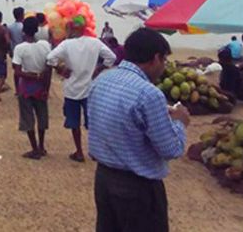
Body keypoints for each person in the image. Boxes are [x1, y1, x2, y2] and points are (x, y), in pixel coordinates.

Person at [88, 27, 188, 232]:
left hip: (104, 179)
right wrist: (180, 122)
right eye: (164, 61)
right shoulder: (149, 94)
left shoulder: (102, 80)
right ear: (156, 58)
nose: (164, 67)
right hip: (137, 187)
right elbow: (171, 149)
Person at [47, 20, 116, 162]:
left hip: (71, 90)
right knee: (93, 123)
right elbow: (112, 57)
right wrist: (99, 68)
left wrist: (60, 69)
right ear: (85, 29)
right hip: (90, 89)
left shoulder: (66, 44)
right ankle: (96, 152)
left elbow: (50, 58)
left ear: (71, 29)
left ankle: (79, 152)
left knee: (74, 123)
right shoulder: (95, 43)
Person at [12, 16, 52, 159]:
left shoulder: (20, 48)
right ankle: (41, 146)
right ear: (36, 30)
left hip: (26, 87)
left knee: (28, 119)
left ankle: (34, 149)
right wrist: (46, 88)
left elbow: (17, 71)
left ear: (24, 30)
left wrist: (32, 76)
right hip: (41, 86)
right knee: (42, 117)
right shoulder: (45, 45)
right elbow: (49, 68)